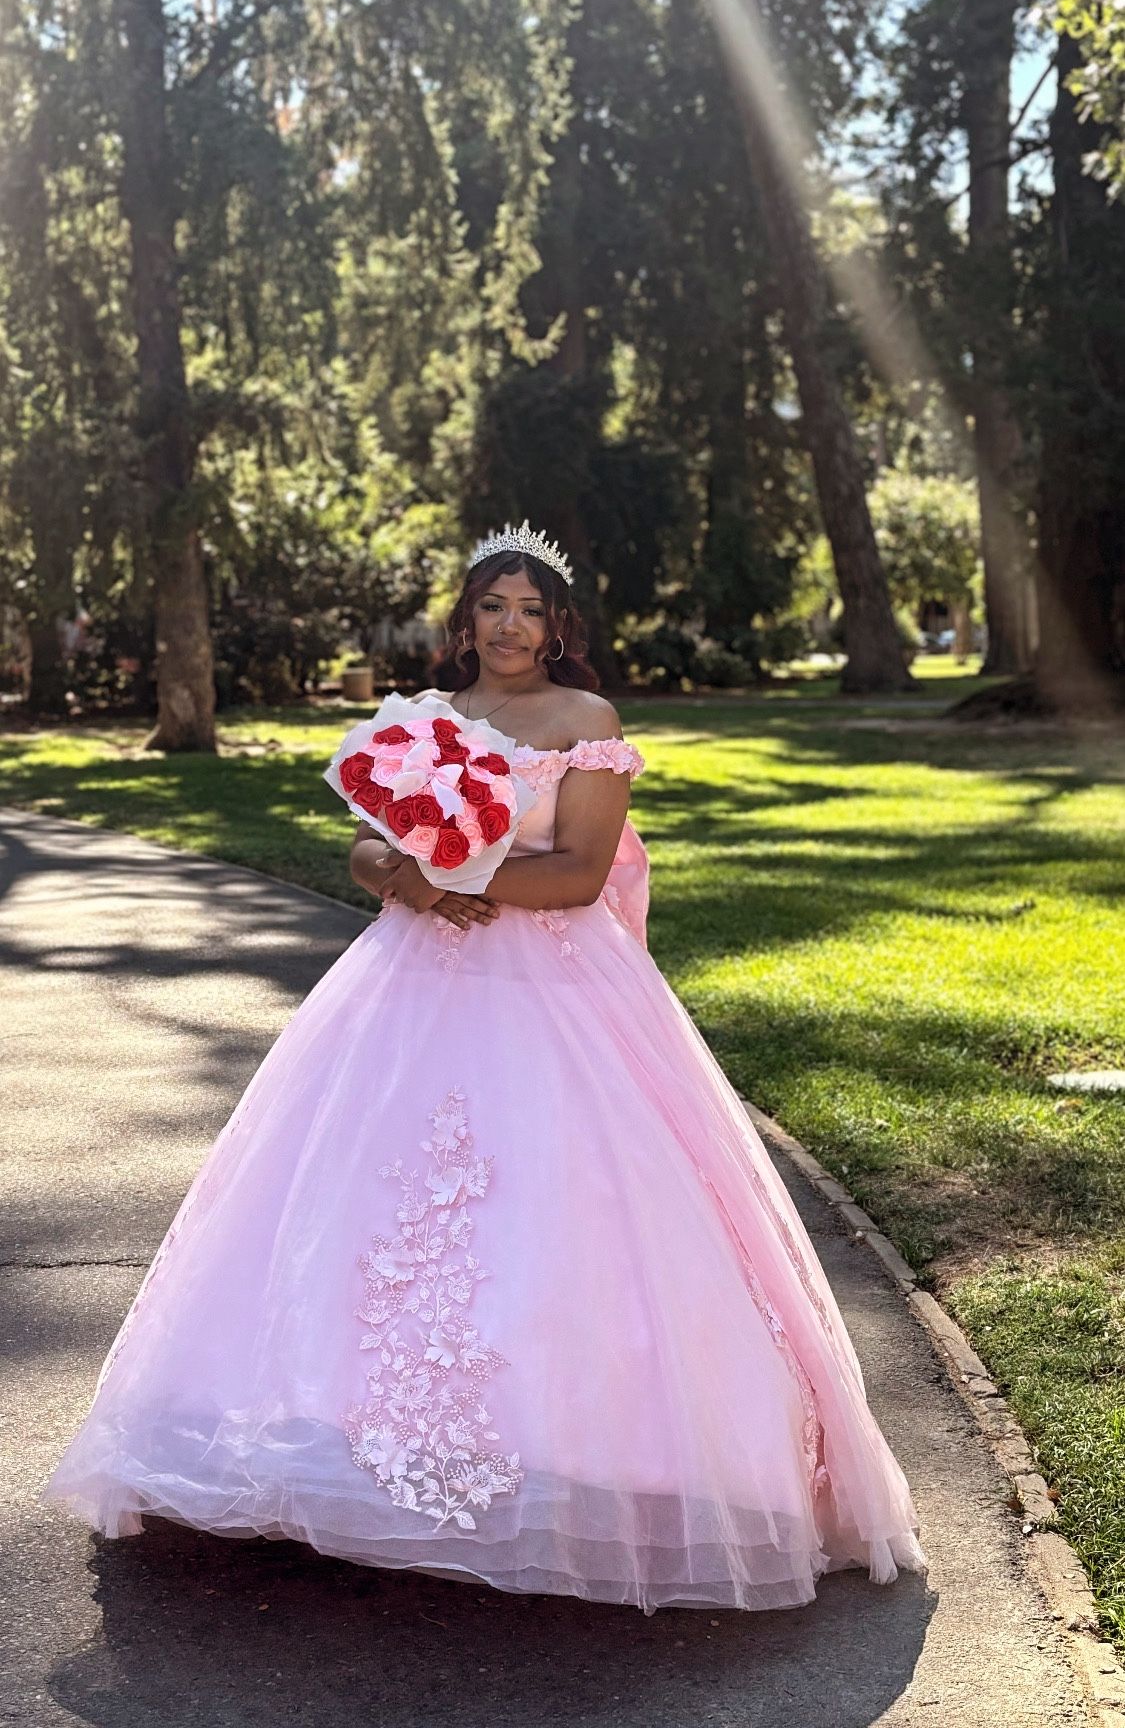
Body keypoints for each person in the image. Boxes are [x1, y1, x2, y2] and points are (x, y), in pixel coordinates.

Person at [44, 522, 926, 1613]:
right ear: (465, 621)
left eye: (532, 609)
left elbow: (577, 873)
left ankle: (596, 1468)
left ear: (560, 626)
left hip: (559, 987)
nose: (511, 625)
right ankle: (325, 1437)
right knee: (359, 1198)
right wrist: (408, 878)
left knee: (555, 1205)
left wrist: (460, 865)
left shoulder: (587, 724)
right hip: (411, 974)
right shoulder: (429, 721)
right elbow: (368, 845)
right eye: (493, 607)